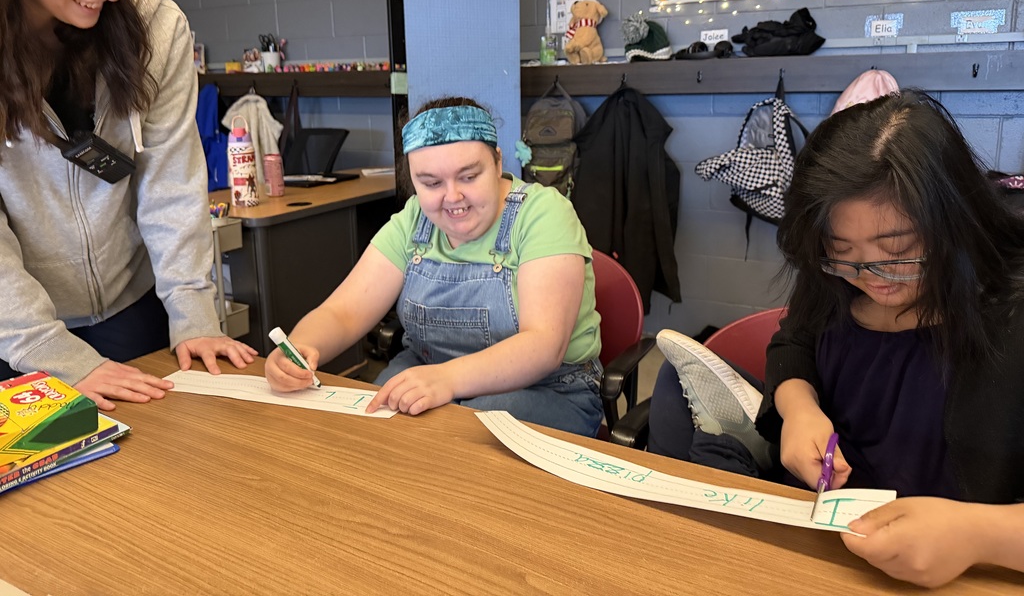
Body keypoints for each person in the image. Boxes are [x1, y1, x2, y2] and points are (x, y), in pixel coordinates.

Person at [648, 90, 1024, 587]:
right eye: (842, 251)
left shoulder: (1008, 307)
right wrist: (800, 407)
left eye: (899, 252)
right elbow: (794, 341)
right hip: (821, 532)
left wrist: (982, 534)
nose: (872, 277)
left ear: (956, 218)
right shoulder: (836, 276)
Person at [0, 0, 257, 410]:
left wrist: (195, 315)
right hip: (17, 327)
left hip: (130, 306)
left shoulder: (154, 26)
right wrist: (51, 351)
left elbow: (170, 179)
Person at [265, 96, 604, 437]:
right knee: (366, 437)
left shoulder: (543, 214)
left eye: (469, 176)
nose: (452, 197)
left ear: (498, 163)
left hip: (548, 388)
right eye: (431, 184)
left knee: (457, 446)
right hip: (429, 374)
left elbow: (544, 345)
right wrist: (299, 346)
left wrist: (447, 379)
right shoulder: (414, 220)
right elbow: (343, 313)